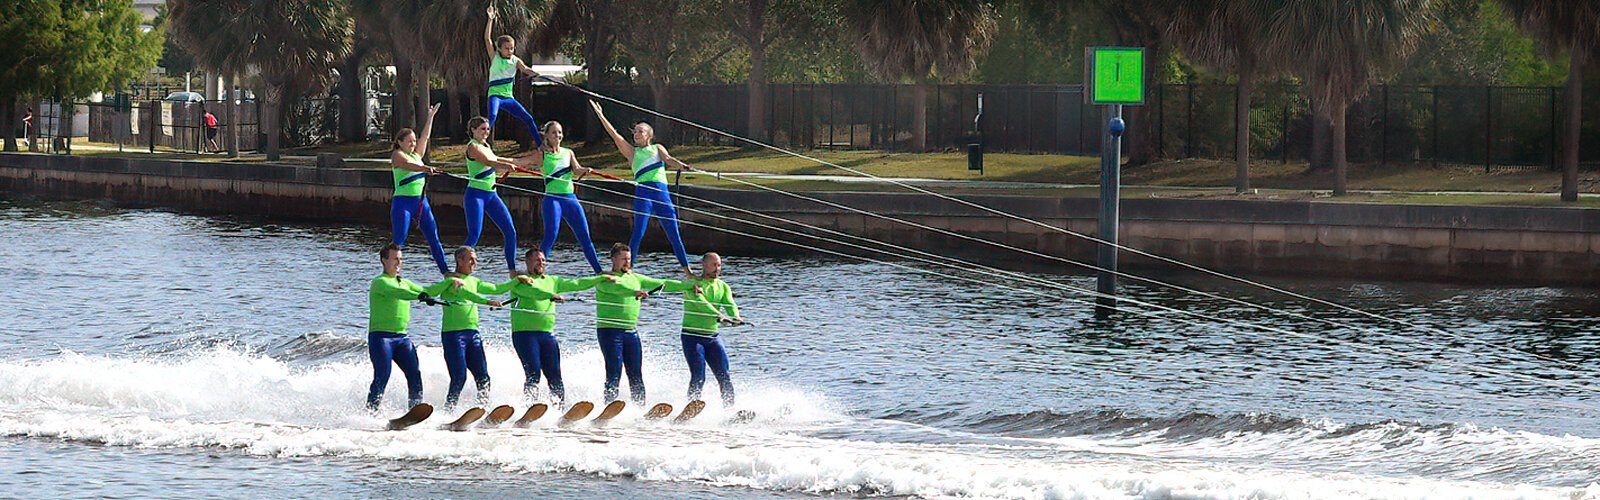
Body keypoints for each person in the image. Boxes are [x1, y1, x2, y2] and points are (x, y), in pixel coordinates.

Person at [589, 101, 694, 277]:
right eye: (635, 132)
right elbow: (615, 135)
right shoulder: (632, 153)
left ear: (649, 135)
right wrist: (600, 115)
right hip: (643, 193)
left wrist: (681, 166)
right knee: (638, 232)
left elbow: (669, 159)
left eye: (640, 131)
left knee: (674, 234)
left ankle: (688, 271)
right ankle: (629, 270)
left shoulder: (657, 148)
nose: (636, 134)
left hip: (662, 194)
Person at [592, 243, 694, 404]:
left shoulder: (636, 278)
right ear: (613, 260)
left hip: (631, 332)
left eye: (629, 259)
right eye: (623, 259)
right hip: (609, 332)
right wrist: (634, 292)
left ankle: (639, 406)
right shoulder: (604, 279)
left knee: (635, 373)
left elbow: (663, 283)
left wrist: (689, 285)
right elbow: (618, 289)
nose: (627, 262)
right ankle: (608, 404)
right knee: (614, 371)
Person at [366, 243, 464, 411]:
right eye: (395, 259)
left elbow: (428, 290)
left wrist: (449, 282)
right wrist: (420, 296)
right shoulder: (379, 282)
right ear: (384, 260)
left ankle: (415, 410)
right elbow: (399, 293)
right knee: (382, 375)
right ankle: (370, 412)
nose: (398, 263)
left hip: (402, 338)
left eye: (401, 259)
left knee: (414, 375)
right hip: (381, 338)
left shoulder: (404, 282)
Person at [502, 249, 606, 404]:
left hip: (547, 335)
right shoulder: (520, 281)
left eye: (543, 260)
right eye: (537, 260)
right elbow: (533, 292)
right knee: (534, 373)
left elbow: (577, 284)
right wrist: (550, 295)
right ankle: (529, 406)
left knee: (555, 376)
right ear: (528, 262)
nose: (541, 263)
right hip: (525, 335)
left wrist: (599, 279)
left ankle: (559, 408)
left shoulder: (552, 281)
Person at [463, 116, 537, 275]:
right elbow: (489, 162)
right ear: (473, 130)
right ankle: (461, 270)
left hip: (491, 195)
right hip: (475, 195)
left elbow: (498, 159)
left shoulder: (486, 145)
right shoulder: (472, 147)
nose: (486, 132)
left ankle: (512, 270)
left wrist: (523, 161)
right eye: (482, 129)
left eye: (488, 129)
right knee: (474, 234)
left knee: (510, 231)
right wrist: (506, 165)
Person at [435, 246, 506, 409]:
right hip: (454, 336)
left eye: (475, 259)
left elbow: (497, 289)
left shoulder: (474, 281)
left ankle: (483, 408)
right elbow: (466, 294)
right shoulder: (450, 282)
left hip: (473, 335)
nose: (475, 262)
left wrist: (518, 281)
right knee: (459, 376)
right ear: (459, 260)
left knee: (483, 377)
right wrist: (487, 302)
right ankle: (449, 411)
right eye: (470, 259)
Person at [676, 252, 745, 406]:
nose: (717, 269)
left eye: (719, 265)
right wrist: (719, 316)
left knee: (724, 375)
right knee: (698, 375)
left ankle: (729, 408)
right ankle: (692, 405)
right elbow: (701, 304)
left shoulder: (722, 286)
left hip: (712, 338)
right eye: (713, 265)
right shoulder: (693, 284)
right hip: (692, 337)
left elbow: (730, 304)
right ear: (704, 265)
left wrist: (735, 317)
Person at [389, 103, 450, 275]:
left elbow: (425, 137)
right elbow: (408, 165)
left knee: (434, 238)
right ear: (399, 142)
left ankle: (445, 272)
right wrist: (425, 169)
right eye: (409, 141)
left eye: (414, 141)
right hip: (403, 204)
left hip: (421, 203)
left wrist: (430, 117)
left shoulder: (417, 155)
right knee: (399, 240)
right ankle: (392, 273)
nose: (413, 144)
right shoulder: (397, 155)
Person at [535, 121, 603, 274]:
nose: (558, 136)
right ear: (546, 135)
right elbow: (521, 162)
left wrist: (586, 170)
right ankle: (537, 271)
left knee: (585, 237)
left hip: (570, 199)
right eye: (554, 133)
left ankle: (599, 272)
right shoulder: (542, 154)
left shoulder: (568, 152)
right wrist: (501, 162)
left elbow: (577, 169)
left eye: (559, 132)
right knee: (551, 235)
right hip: (552, 200)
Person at [484, 6, 543, 147]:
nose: (510, 51)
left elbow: (525, 69)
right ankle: (481, 142)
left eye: (512, 48)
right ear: (499, 48)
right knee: (491, 117)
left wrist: (535, 74)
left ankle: (541, 145)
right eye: (506, 48)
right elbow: (487, 39)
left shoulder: (515, 60)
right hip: (495, 96)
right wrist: (490, 19)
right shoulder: (495, 57)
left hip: (508, 98)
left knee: (528, 118)